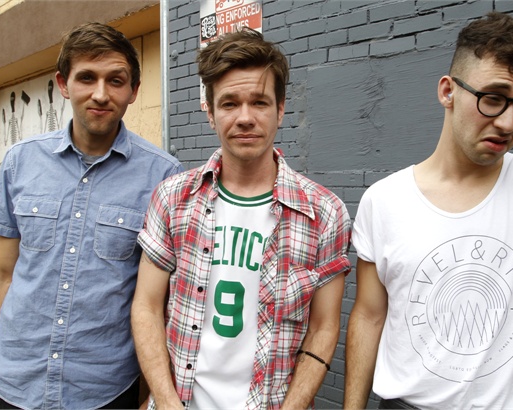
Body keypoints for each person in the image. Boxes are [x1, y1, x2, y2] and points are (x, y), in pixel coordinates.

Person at [344, 12, 513, 410]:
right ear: (448, 91)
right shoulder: (384, 199)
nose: (508, 123)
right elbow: (369, 316)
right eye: (492, 98)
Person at [131, 28, 351, 410]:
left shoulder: (324, 213)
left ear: (280, 109)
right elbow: (146, 307)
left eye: (259, 102)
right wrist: (166, 402)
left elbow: (324, 327)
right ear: (210, 112)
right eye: (230, 103)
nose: (245, 118)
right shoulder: (173, 199)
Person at [0, 22, 183, 409]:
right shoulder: (20, 161)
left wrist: (153, 394)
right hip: (12, 381)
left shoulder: (164, 176)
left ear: (134, 90)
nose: (101, 94)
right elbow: (2, 274)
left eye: (116, 80)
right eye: (87, 77)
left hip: (104, 390)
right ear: (63, 84)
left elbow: (161, 300)